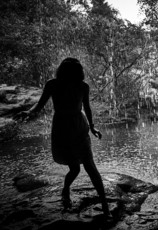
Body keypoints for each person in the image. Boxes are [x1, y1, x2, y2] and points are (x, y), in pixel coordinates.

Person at [16, 58, 111, 216]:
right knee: (74, 168)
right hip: (62, 129)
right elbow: (39, 105)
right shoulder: (52, 84)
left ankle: (104, 203)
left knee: (90, 166)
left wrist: (92, 127)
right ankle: (66, 189)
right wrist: (28, 112)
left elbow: (87, 107)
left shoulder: (83, 86)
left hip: (80, 126)